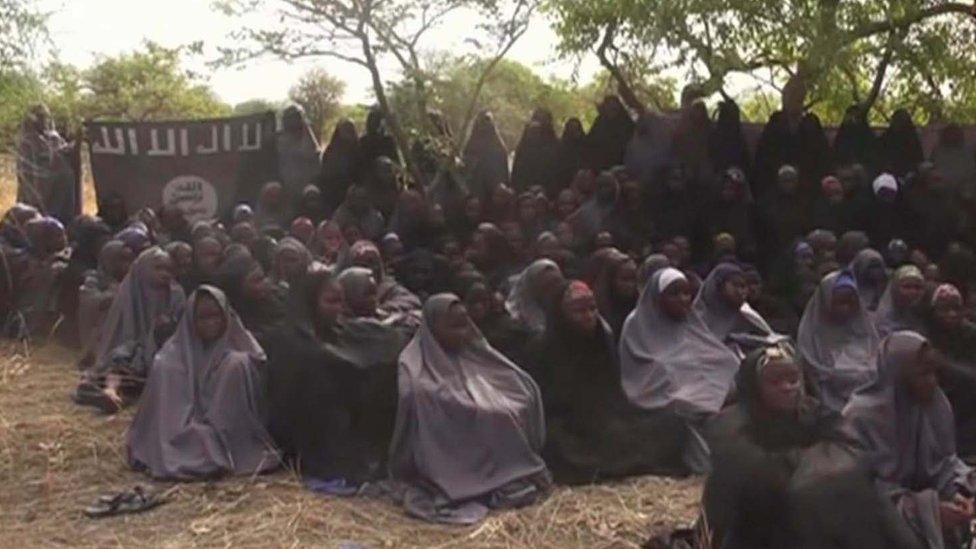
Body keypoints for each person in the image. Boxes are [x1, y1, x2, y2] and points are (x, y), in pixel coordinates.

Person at [703, 344, 919, 549]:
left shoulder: (810, 411)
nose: (787, 388)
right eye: (775, 381)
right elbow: (759, 476)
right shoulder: (730, 423)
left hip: (817, 506)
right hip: (758, 522)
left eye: (793, 379)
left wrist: (812, 471)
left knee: (866, 496)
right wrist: (814, 464)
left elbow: (854, 452)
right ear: (754, 387)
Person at [388, 293, 551, 524]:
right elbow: (415, 391)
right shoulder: (414, 359)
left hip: (478, 399)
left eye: (465, 325)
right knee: (492, 414)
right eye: (454, 326)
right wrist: (462, 400)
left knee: (512, 405)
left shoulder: (472, 348)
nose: (463, 333)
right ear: (434, 327)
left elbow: (503, 372)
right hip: (451, 424)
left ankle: (504, 471)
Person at [528, 281, 691, 483]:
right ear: (561, 314)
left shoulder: (600, 339)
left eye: (592, 309)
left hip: (607, 416)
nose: (588, 317)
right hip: (569, 426)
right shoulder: (543, 349)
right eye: (579, 311)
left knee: (672, 423)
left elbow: (612, 389)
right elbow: (547, 404)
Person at [127, 285, 280, 480]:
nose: (211, 323)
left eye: (216, 316)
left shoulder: (236, 356)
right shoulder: (169, 360)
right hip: (180, 434)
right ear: (191, 319)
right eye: (203, 318)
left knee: (237, 364)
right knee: (195, 446)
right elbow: (166, 424)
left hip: (223, 434)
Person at [844, 331, 976, 549]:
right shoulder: (860, 418)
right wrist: (929, 511)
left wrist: (960, 491)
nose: (932, 381)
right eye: (923, 374)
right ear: (898, 374)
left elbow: (945, 462)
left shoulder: (935, 404)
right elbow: (864, 493)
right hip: (878, 526)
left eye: (935, 373)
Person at [619, 267, 741, 473]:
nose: (684, 299)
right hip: (666, 399)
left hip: (701, 393)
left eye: (686, 293)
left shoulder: (688, 320)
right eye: (674, 294)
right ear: (658, 298)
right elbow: (641, 373)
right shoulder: (637, 323)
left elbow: (711, 353)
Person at [74, 247, 186, 412]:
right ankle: (110, 392)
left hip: (162, 347)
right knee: (122, 358)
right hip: (130, 348)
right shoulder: (129, 290)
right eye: (158, 268)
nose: (165, 274)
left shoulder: (176, 294)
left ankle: (111, 393)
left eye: (169, 269)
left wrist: (165, 327)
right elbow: (119, 329)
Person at [797, 270, 880, 412]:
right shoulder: (811, 338)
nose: (846, 308)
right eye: (840, 302)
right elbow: (813, 377)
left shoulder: (865, 332)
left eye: (851, 302)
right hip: (829, 410)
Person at [926, 283, 976, 458]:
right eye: (944, 309)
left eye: (956, 309)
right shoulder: (925, 333)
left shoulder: (970, 334)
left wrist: (947, 366)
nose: (951, 314)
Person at [16, 104, 78, 224]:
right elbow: (34, 167)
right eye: (40, 117)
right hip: (37, 189)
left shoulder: (53, 137)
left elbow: (64, 151)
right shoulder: (27, 141)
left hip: (58, 190)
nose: (44, 121)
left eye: (46, 117)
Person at [693, 262, 775, 352]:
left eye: (743, 286)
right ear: (719, 286)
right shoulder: (696, 321)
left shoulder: (748, 317)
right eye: (735, 285)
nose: (741, 292)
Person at [78, 240, 134, 359]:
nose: (128, 264)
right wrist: (116, 291)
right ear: (109, 260)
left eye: (130, 260)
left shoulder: (134, 284)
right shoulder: (93, 281)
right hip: (97, 339)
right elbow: (94, 303)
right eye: (122, 259)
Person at [504, 258, 564, 335]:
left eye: (557, 282)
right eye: (547, 286)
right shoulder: (518, 322)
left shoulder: (571, 309)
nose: (553, 289)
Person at [277, 105, 321, 205]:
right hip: (286, 186)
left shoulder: (307, 135)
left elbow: (314, 155)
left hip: (306, 184)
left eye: (296, 117)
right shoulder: (280, 139)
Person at [462, 111, 509, 200]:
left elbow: (503, 175)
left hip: (493, 195)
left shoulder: (499, 148)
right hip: (473, 194)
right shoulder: (471, 146)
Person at [874, 265, 926, 338]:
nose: (913, 292)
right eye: (907, 287)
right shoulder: (882, 320)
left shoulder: (925, 314)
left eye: (917, 287)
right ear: (895, 288)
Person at [851, 247, 889, 313]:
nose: (875, 271)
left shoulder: (890, 285)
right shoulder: (849, 285)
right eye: (871, 267)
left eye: (878, 266)